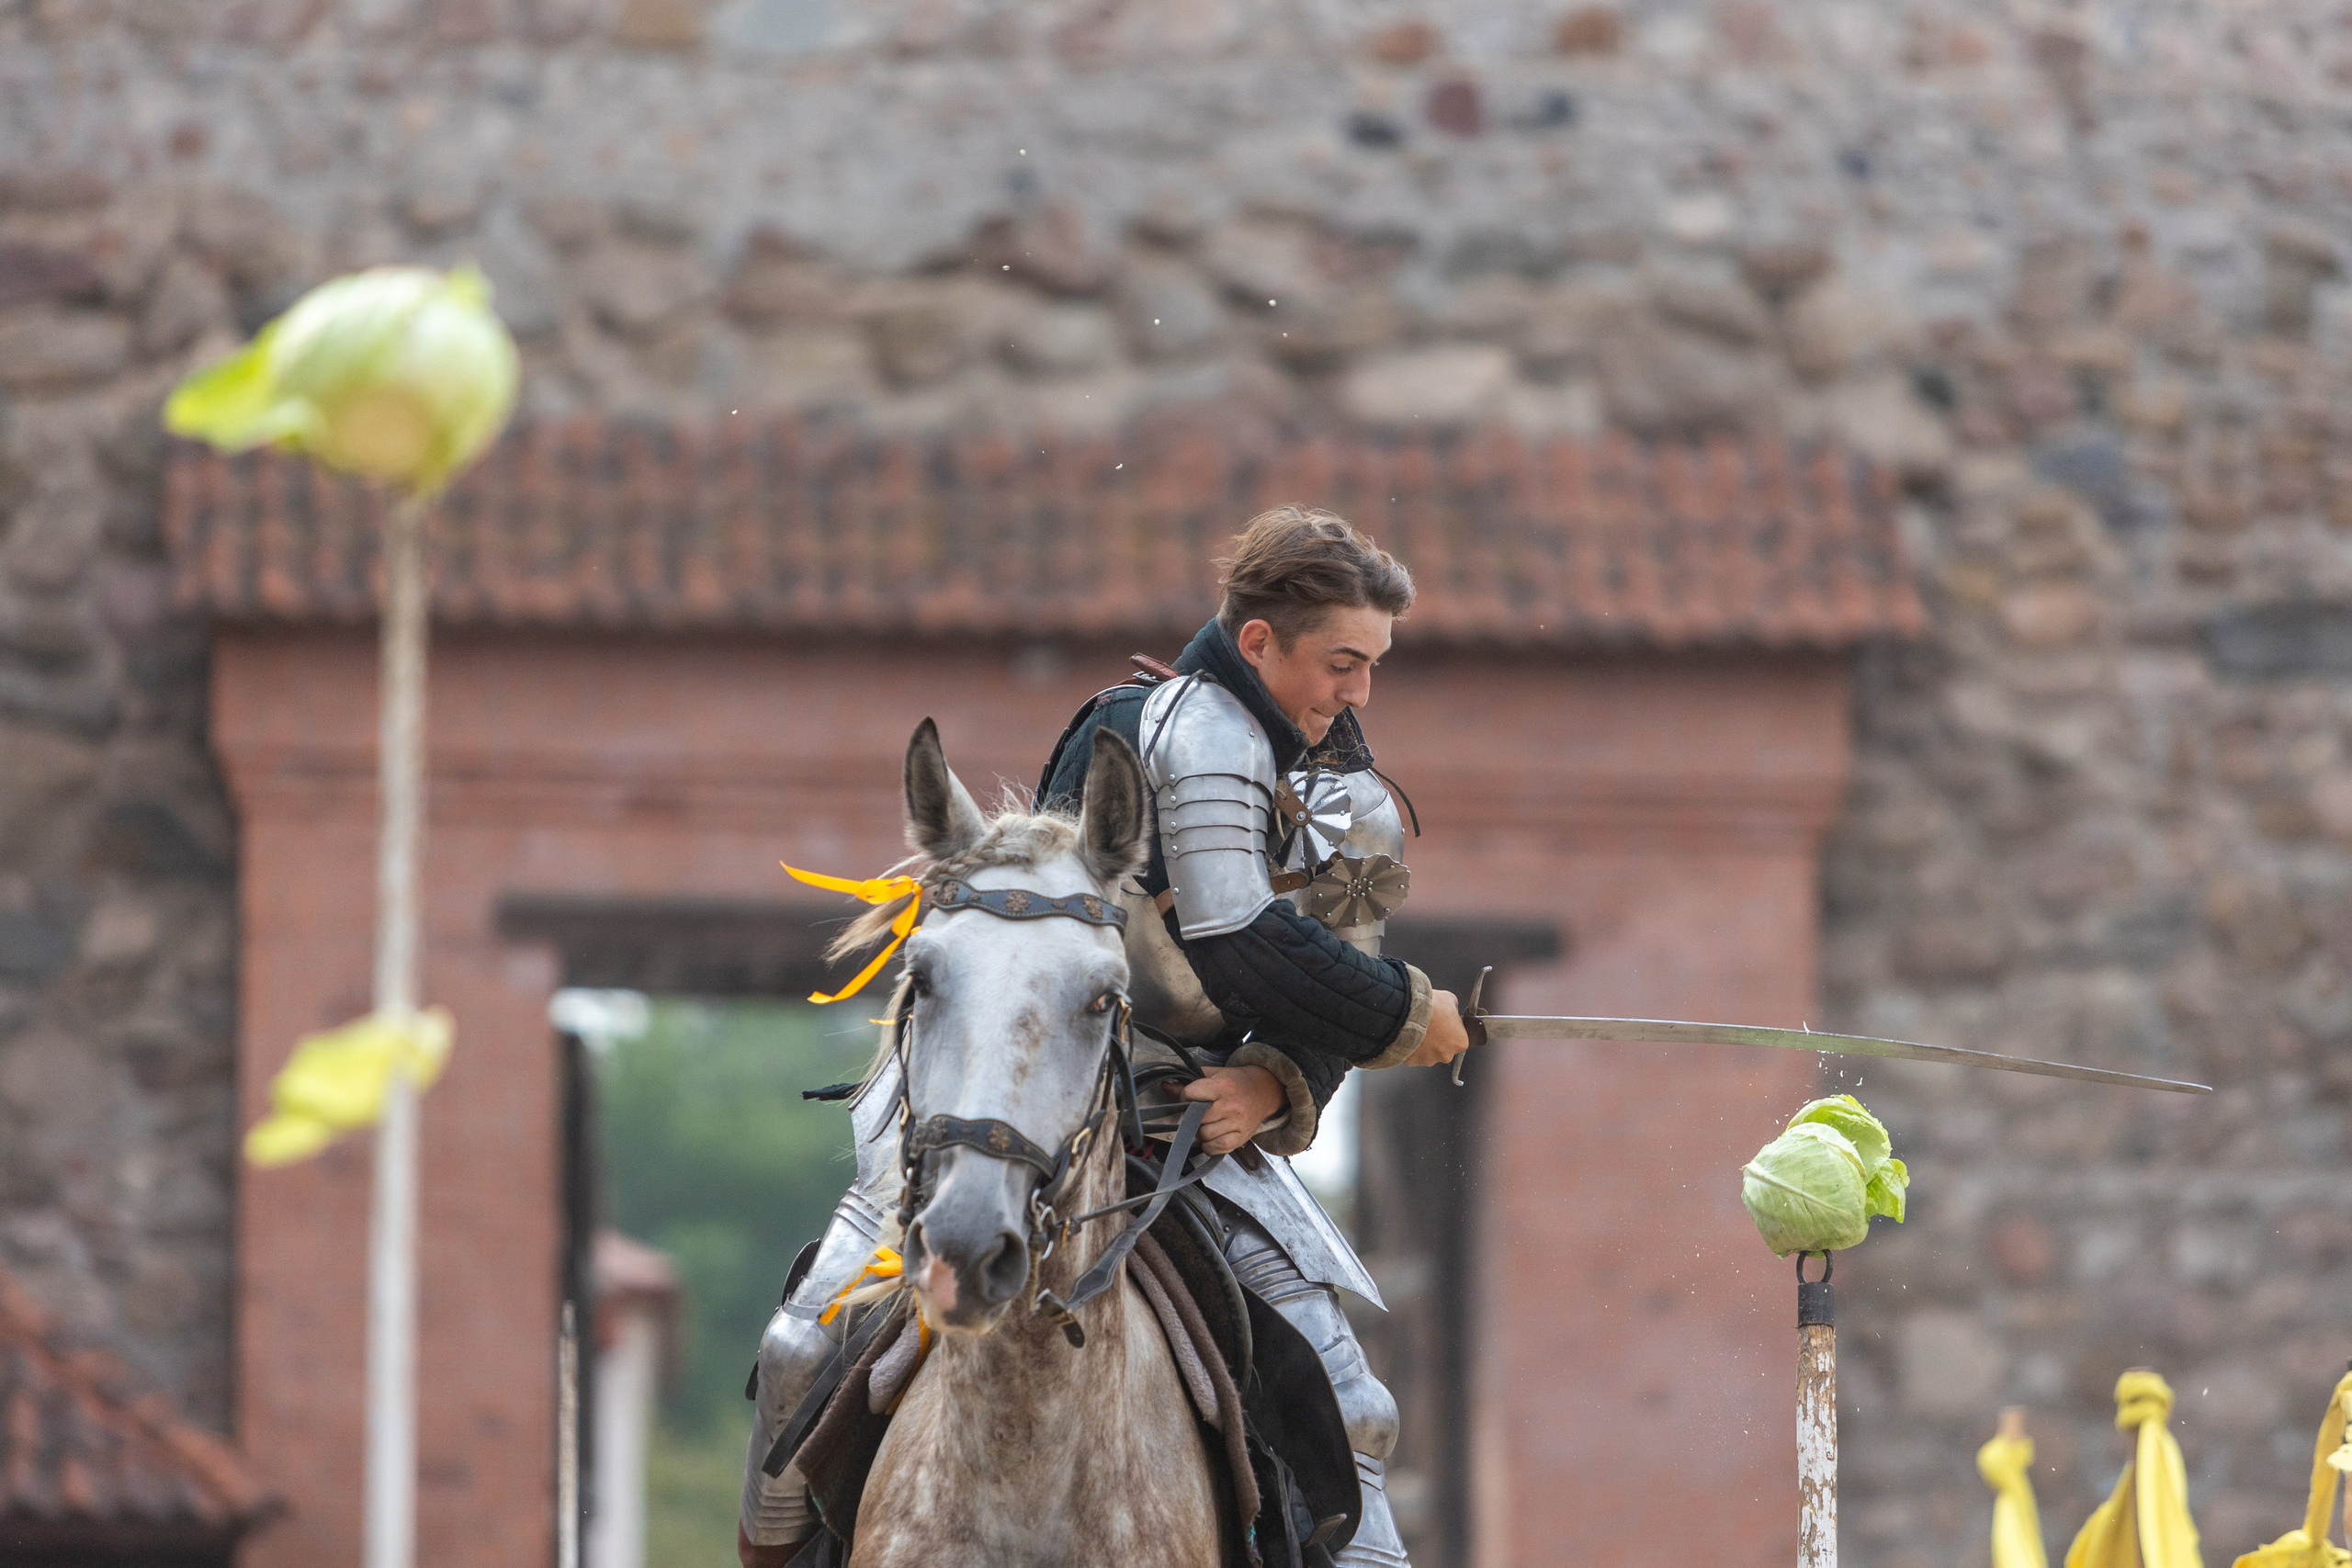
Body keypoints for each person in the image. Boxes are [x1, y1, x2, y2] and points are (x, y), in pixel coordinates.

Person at [739, 506, 1475, 1568]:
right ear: (1259, 641)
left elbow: (1327, 973)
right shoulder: (1120, 731)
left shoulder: (1347, 803)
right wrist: (1405, 1012)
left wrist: (1275, 1081)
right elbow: (1092, 947)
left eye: (1372, 668)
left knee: (1352, 1407)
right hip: (1019, 1083)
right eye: (1342, 662)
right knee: (801, 1345)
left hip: (1193, 1119)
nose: (1356, 694)